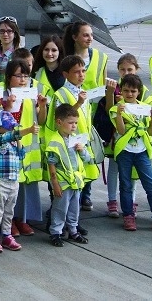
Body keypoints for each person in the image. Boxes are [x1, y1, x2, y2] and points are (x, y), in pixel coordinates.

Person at [109, 74, 152, 234]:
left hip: (142, 151)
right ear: (121, 91)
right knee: (125, 185)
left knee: (151, 186)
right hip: (125, 151)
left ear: (139, 92)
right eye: (126, 90)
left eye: (133, 91)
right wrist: (119, 115)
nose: (129, 94)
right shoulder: (116, 108)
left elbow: (150, 132)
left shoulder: (145, 108)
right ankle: (128, 215)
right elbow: (121, 130)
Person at [45, 55, 98, 236]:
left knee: (76, 187)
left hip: (78, 143)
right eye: (76, 72)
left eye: (83, 71)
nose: (81, 75)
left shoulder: (82, 91)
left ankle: (72, 223)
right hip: (64, 145)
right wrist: (79, 103)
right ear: (66, 74)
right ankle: (56, 225)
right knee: (61, 192)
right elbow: (63, 116)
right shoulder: (61, 94)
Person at [98, 54, 152, 218]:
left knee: (133, 174)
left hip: (138, 141)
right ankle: (112, 201)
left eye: (129, 69)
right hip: (117, 137)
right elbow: (108, 111)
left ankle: (132, 202)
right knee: (114, 168)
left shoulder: (143, 92)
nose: (126, 72)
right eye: (122, 70)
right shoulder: (115, 88)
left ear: (136, 69)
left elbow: (148, 112)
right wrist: (111, 95)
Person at [63, 21, 108, 212]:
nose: (90, 38)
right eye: (85, 35)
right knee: (73, 151)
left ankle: (86, 193)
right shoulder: (66, 57)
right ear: (75, 37)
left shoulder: (101, 57)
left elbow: (103, 84)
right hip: (73, 110)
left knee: (87, 152)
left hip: (92, 112)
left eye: (91, 35)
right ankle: (73, 192)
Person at [2, 59, 47, 237]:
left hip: (26, 149)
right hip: (7, 148)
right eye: (18, 76)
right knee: (8, 189)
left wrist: (42, 106)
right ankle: (10, 221)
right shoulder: (2, 94)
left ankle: (22, 219)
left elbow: (41, 121)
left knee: (25, 188)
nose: (22, 80)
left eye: (25, 76)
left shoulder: (31, 95)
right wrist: (7, 107)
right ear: (9, 77)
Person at [46, 104, 90, 247]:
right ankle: (55, 232)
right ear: (59, 122)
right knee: (60, 208)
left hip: (75, 182)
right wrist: (55, 184)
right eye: (70, 123)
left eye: (76, 123)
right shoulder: (55, 141)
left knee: (74, 208)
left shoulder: (76, 139)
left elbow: (87, 159)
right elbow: (51, 164)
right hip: (63, 182)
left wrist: (82, 150)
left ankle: (73, 230)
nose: (74, 126)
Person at [0, 110, 26, 253]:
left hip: (13, 181)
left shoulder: (14, 141)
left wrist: (19, 140)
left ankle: (7, 235)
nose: (11, 129)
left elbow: (22, 154)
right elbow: (9, 136)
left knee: (9, 210)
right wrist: (21, 133)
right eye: (8, 127)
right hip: (0, 181)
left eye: (12, 127)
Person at [0, 16, 21, 85]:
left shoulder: (19, 56)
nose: (5, 34)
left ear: (15, 34)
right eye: (2, 31)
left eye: (9, 31)